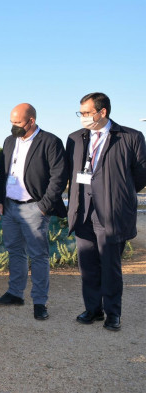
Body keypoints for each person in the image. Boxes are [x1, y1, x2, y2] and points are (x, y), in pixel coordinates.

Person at [66, 92, 146, 331]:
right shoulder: (76, 138)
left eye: (87, 113)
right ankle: (93, 310)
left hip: (112, 214)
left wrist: (118, 193)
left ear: (103, 112)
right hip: (83, 212)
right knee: (87, 265)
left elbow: (140, 175)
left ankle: (113, 314)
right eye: (81, 113)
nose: (83, 117)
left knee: (110, 267)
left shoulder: (130, 137)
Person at [0, 103, 68, 320]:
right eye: (11, 122)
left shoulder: (50, 142)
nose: (13, 126)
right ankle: (15, 293)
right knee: (15, 251)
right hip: (10, 206)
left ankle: (40, 302)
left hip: (35, 207)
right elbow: (2, 173)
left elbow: (59, 177)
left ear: (31, 121)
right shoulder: (9, 141)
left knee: (38, 256)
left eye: (17, 122)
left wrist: (44, 206)